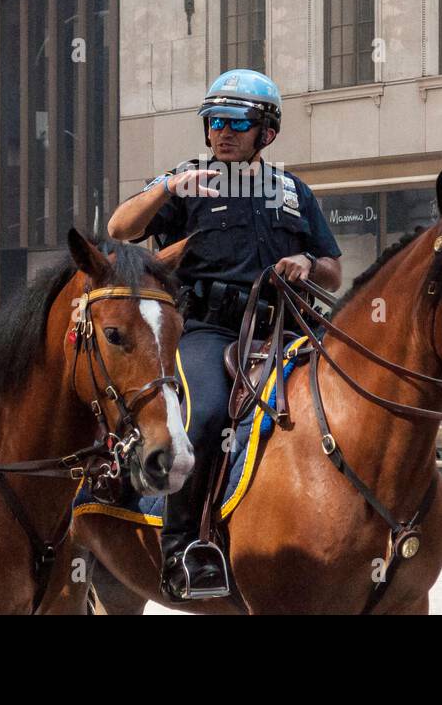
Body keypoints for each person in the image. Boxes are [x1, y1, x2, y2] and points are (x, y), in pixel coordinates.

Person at [107, 69, 342, 601]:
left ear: (268, 132)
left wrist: (307, 261)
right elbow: (120, 230)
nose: (222, 131)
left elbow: (333, 269)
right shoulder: (188, 179)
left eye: (237, 121)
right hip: (209, 331)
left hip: (284, 328)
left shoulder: (292, 190)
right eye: (214, 121)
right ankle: (181, 543)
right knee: (209, 412)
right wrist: (166, 187)